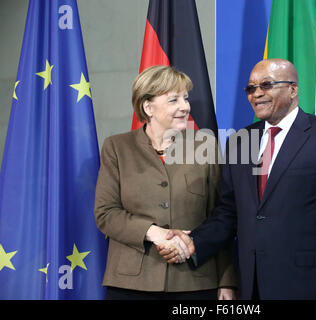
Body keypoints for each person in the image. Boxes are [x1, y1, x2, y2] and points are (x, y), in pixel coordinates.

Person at [158, 59, 316, 300]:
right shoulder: (240, 140)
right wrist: (194, 242)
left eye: (266, 85)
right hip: (251, 283)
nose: (256, 94)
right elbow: (228, 213)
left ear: (293, 89)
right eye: (251, 88)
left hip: (308, 284)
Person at [94, 65, 237, 300]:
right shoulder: (117, 147)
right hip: (131, 283)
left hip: (196, 282)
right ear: (148, 107)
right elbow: (105, 213)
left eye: (185, 98)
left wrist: (227, 281)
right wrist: (153, 233)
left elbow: (221, 217)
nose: (185, 106)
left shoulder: (206, 146)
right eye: (174, 100)